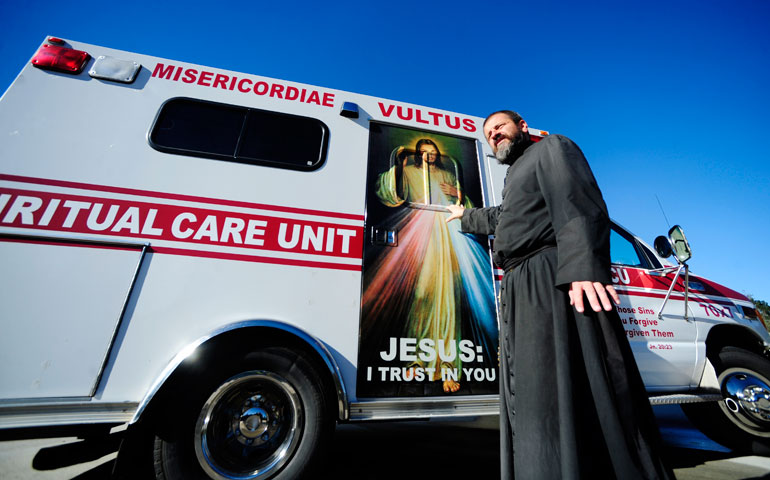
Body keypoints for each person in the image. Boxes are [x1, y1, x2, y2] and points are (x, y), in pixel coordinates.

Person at [446, 111, 673, 478]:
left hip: (556, 281)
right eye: (488, 134)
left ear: (522, 126)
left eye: (499, 127)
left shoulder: (552, 147)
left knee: (573, 393)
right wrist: (464, 215)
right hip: (521, 286)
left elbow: (577, 200)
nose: (494, 135)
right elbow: (501, 219)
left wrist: (583, 265)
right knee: (536, 394)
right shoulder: (514, 177)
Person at [361, 138, 497, 394]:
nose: (429, 155)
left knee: (448, 299)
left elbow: (465, 209)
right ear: (417, 155)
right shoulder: (409, 171)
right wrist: (399, 165)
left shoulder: (448, 174)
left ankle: (448, 367)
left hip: (449, 237)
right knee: (422, 295)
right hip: (419, 234)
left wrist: (458, 194)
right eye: (423, 152)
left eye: (433, 152)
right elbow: (388, 193)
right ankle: (417, 360)